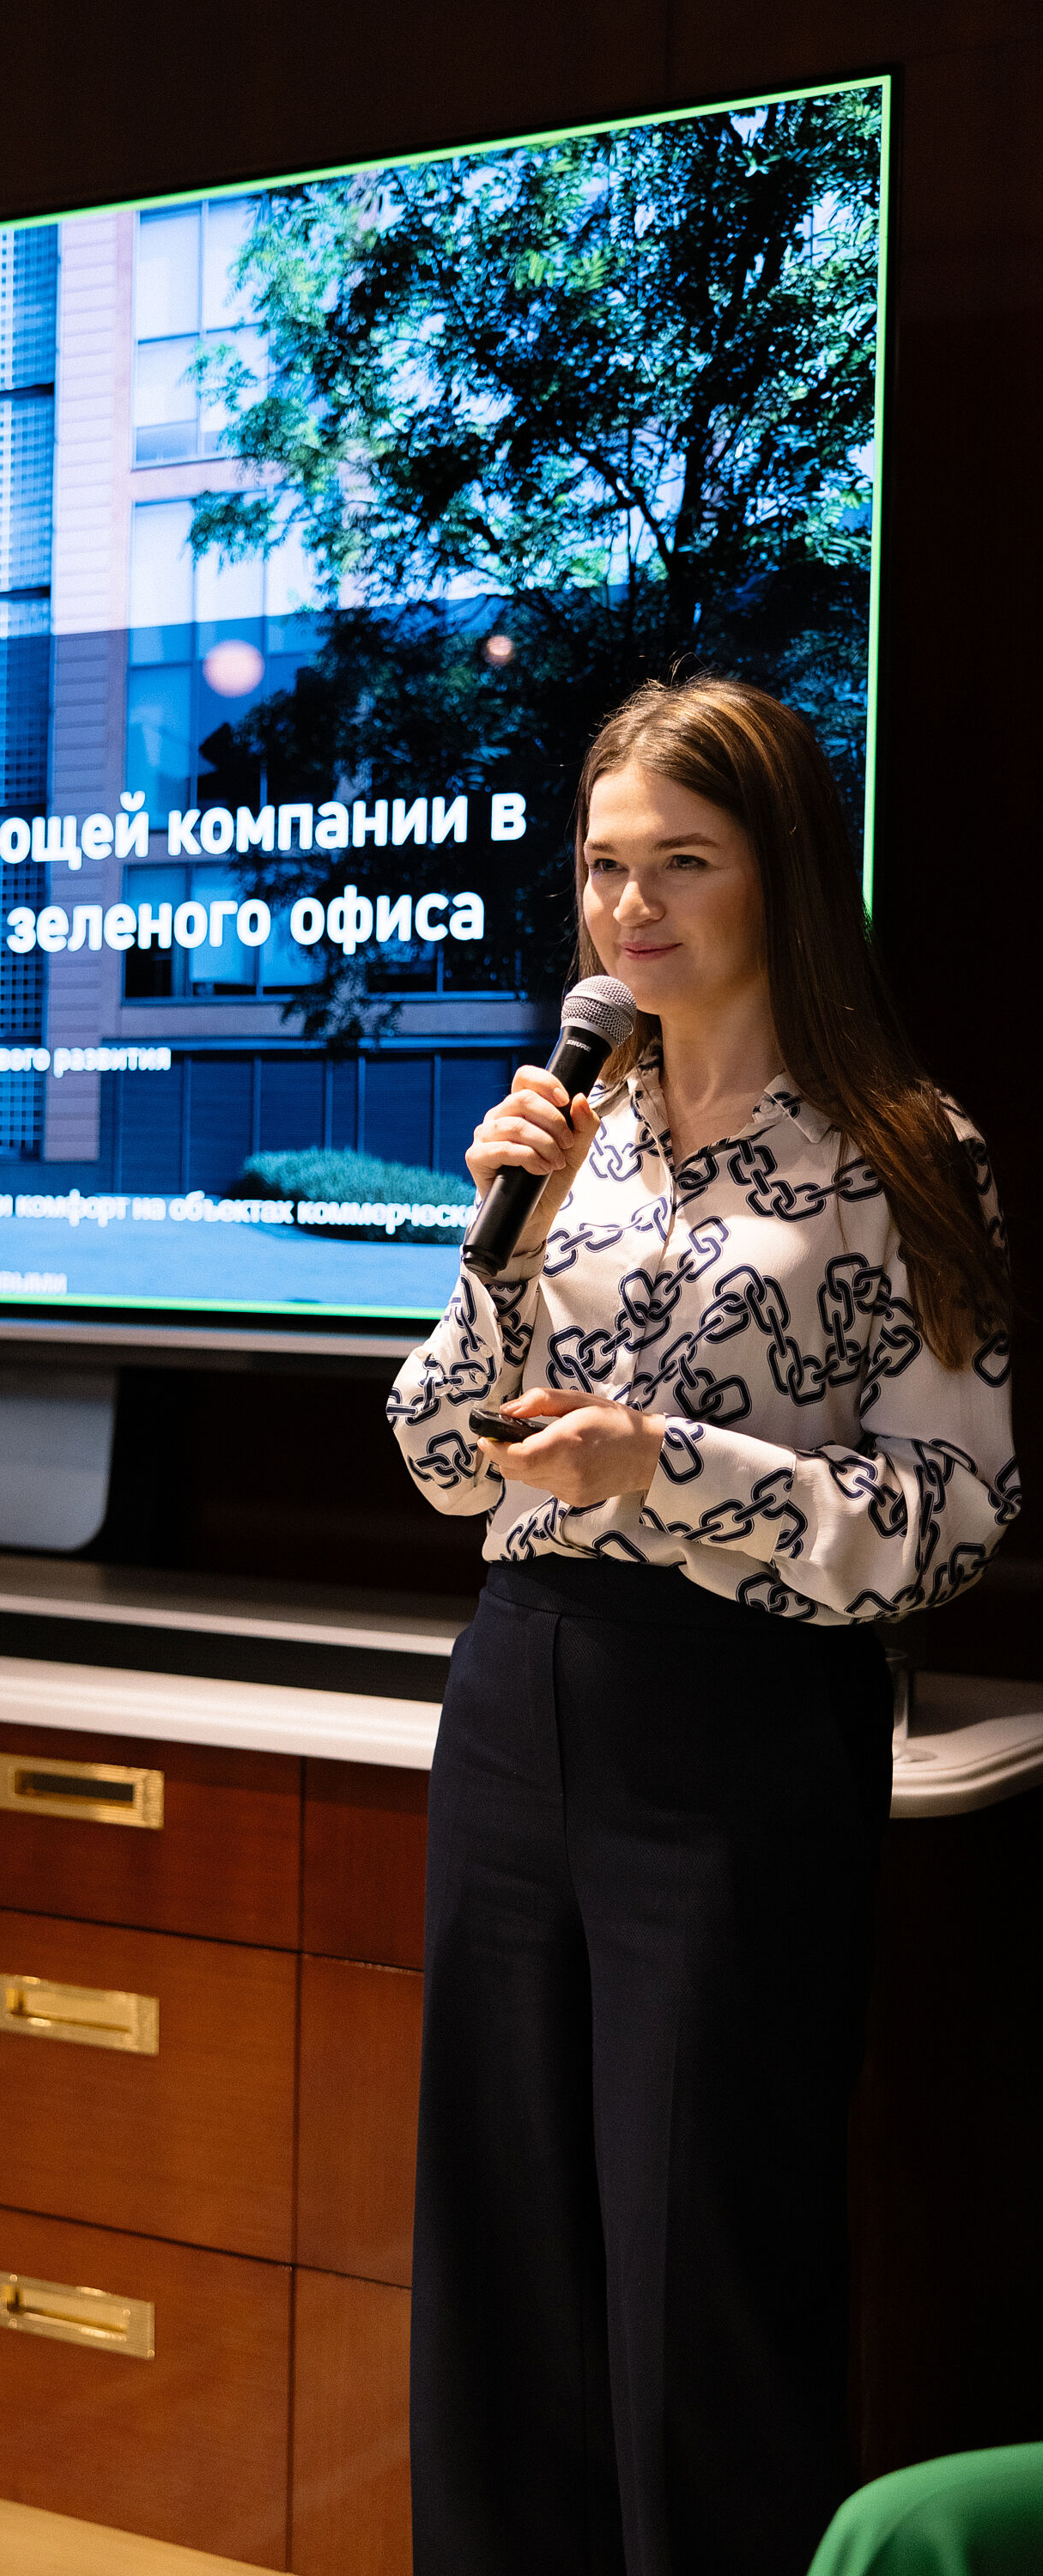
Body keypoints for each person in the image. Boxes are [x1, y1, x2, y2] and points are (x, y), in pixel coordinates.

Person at [388, 674, 1017, 2576]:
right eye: (602, 867)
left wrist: (663, 1466)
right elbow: (439, 1458)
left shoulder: (902, 1154)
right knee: (500, 2264)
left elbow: (953, 1515)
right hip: (518, 1701)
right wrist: (503, 1242)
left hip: (740, 1732)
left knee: (702, 2281)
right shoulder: (565, 1137)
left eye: (682, 860)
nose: (629, 906)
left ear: (782, 874)